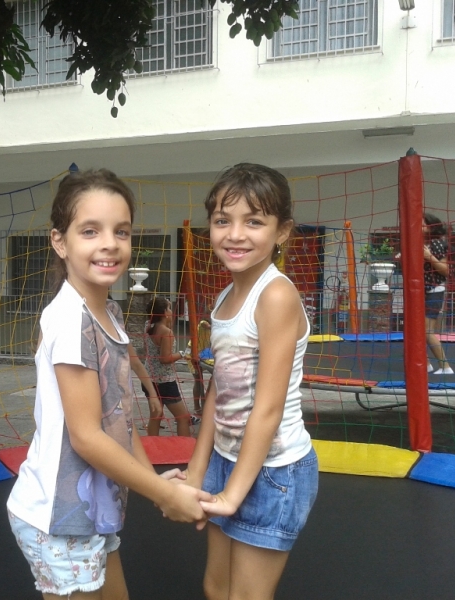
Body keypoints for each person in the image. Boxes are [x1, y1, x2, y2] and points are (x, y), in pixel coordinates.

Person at [6, 169, 212, 599]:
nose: (109, 243)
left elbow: (118, 417)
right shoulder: (71, 321)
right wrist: (163, 495)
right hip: (58, 518)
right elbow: (86, 436)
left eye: (121, 231)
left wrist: (154, 483)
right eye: (90, 231)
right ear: (59, 241)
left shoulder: (109, 313)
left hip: (91, 511)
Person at [183, 163, 318, 600]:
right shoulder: (226, 296)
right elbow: (218, 390)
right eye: (223, 221)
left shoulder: (275, 295)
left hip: (274, 470)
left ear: (282, 232)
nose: (235, 234)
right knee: (215, 587)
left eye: (254, 222)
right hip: (227, 460)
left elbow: (268, 408)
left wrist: (231, 496)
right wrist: (198, 470)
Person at [395, 212, 453, 375]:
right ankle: (425, 364)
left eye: (422, 224)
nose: (417, 226)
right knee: (415, 330)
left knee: (426, 331)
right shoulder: (415, 243)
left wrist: (429, 257)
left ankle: (445, 366)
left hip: (434, 290)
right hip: (418, 292)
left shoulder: (437, 244)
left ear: (430, 227)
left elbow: (446, 271)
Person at [142, 296, 195, 437]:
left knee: (156, 416)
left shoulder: (148, 325)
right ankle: (184, 448)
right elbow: (165, 359)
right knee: (183, 418)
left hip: (149, 378)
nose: (172, 311)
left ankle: (152, 447)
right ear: (164, 313)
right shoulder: (166, 332)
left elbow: (147, 349)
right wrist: (182, 354)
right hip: (164, 382)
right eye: (169, 308)